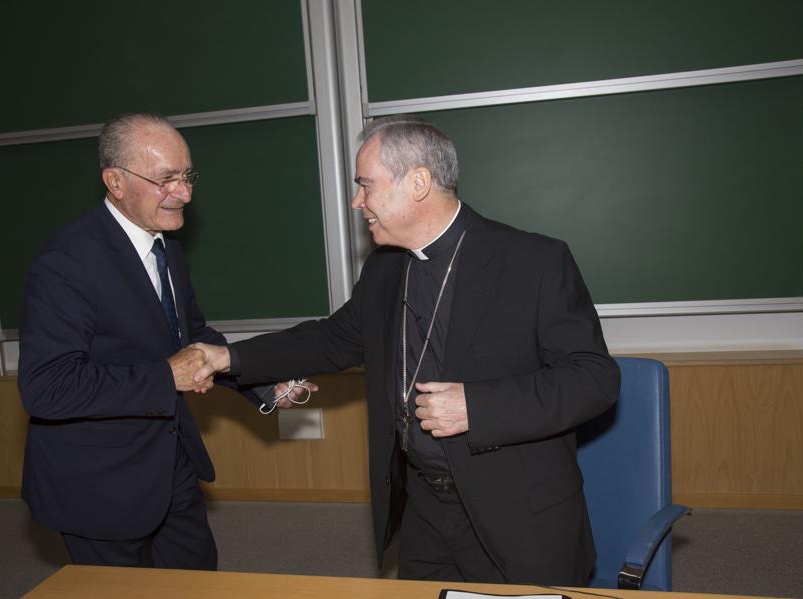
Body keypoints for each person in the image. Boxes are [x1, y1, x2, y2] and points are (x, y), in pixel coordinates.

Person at [192, 115, 621, 585]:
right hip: (424, 509)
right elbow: (332, 339)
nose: (358, 203)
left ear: (418, 183)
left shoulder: (534, 262)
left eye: (366, 186)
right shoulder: (385, 269)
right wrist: (227, 358)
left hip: (517, 513)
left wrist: (477, 407)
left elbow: (594, 379)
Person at [18, 112, 234, 570]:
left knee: (200, 583)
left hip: (169, 460)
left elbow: (193, 336)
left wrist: (262, 383)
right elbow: (46, 388)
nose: (185, 192)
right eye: (165, 179)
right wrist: (164, 377)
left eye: (187, 176)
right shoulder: (67, 262)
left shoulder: (166, 246)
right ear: (115, 181)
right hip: (98, 483)